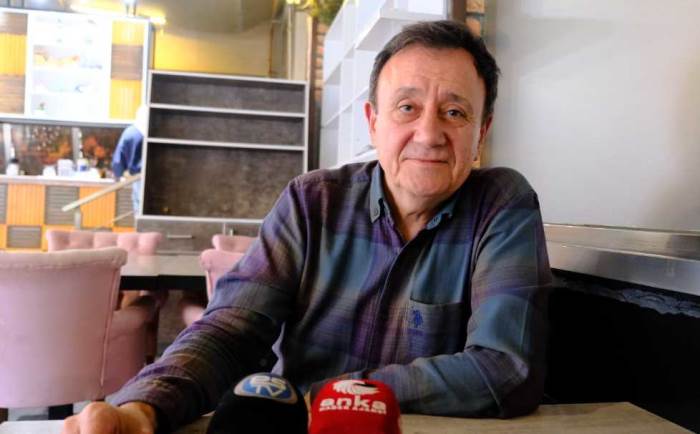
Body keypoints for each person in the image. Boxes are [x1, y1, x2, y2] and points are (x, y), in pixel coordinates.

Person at [63, 20, 551, 433]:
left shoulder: (500, 205)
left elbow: (506, 368)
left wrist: (331, 396)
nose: (428, 133)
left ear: (481, 132)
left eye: (454, 112)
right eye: (407, 108)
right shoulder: (313, 201)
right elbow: (233, 329)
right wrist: (144, 407)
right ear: (373, 121)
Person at [112, 105, 148, 216]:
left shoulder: (130, 133)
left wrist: (120, 173)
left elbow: (119, 156)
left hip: (137, 176)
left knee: (139, 207)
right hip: (152, 177)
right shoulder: (155, 133)